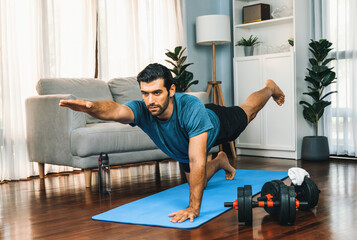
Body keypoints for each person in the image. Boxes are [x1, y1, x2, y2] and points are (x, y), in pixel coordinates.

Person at [59, 63, 285, 223]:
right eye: (145, 93)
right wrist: (91, 106)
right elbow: (116, 110)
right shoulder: (142, 109)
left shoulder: (191, 108)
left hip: (215, 124)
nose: (150, 100)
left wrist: (193, 208)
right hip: (189, 146)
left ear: (172, 90)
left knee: (249, 112)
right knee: (200, 184)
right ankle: (220, 161)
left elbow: (197, 160)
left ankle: (269, 87)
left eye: (157, 92)